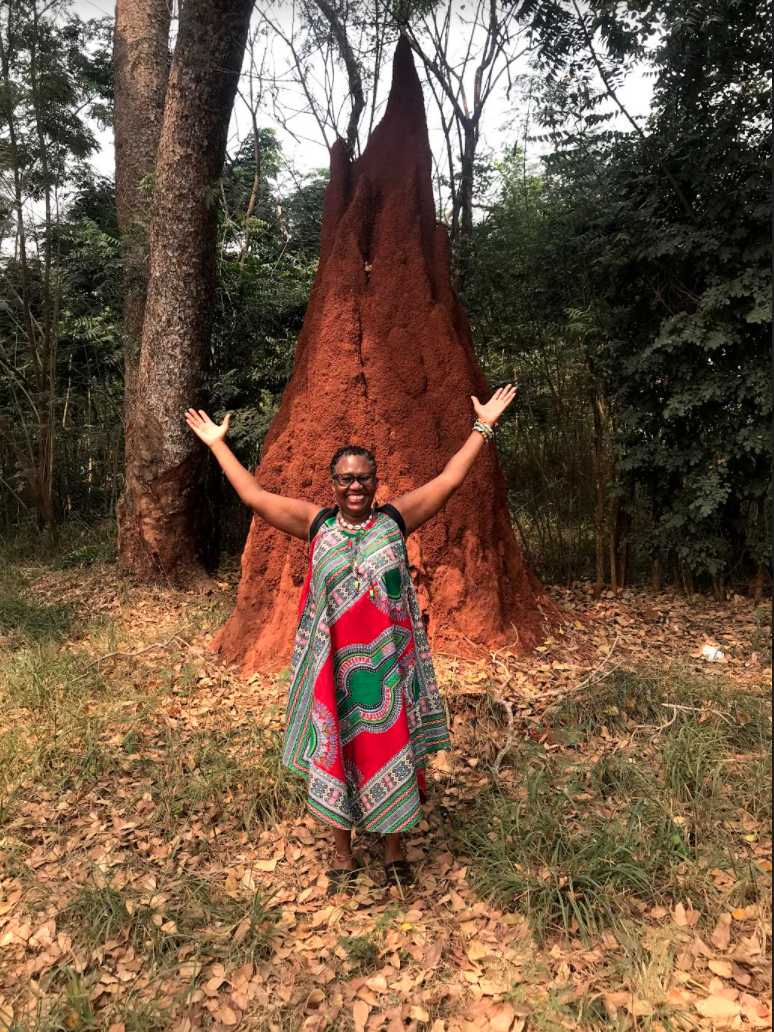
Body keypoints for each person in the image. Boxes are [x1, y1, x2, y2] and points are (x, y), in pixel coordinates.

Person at [185, 384, 518, 891]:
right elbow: (253, 495)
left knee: (390, 749)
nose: (355, 486)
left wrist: (484, 425)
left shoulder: (395, 520)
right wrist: (216, 444)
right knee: (337, 749)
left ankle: (392, 850)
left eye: (363, 478)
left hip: (386, 670)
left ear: (376, 481)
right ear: (333, 483)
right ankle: (341, 854)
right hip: (333, 668)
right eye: (345, 479)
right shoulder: (315, 523)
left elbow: (449, 481)